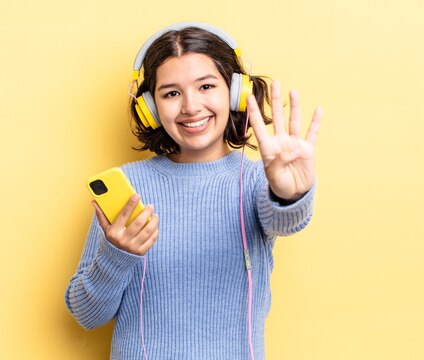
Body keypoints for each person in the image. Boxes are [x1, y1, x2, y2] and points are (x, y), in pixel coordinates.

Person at [65, 22, 322, 360]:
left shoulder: (259, 182)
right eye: (171, 93)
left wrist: (291, 194)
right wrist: (117, 254)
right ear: (151, 108)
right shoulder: (128, 188)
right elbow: (87, 315)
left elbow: (286, 220)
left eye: (206, 86)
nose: (190, 106)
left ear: (234, 92)